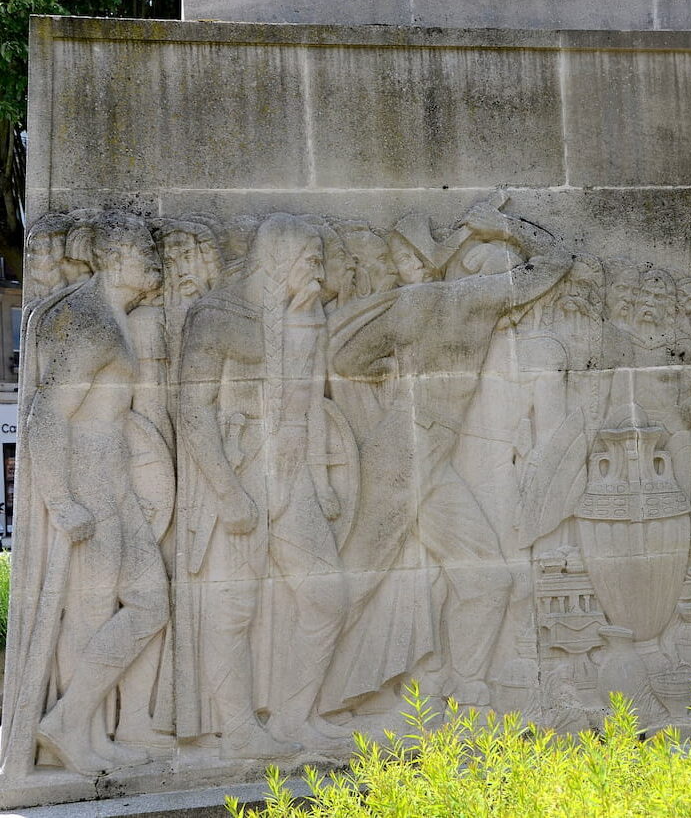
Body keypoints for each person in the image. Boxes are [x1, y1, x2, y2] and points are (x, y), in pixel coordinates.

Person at [328, 197, 572, 708]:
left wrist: (396, 378)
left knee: (486, 577)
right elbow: (554, 261)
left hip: (419, 452)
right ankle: (296, 697)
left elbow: (350, 359)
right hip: (404, 454)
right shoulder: (474, 298)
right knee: (357, 576)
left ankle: (469, 691)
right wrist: (505, 227)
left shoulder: (410, 305)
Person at [176, 214, 350, 756]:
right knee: (234, 609)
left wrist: (320, 478)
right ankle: (237, 729)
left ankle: (296, 717)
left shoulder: (310, 318)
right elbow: (192, 408)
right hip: (241, 470)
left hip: (295, 477)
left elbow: (314, 403)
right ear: (278, 258)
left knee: (327, 597)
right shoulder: (218, 315)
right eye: (309, 259)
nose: (318, 271)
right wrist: (227, 491)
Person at [12, 212, 170, 775]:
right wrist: (61, 499)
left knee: (150, 603)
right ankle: (76, 733)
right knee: (89, 614)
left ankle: (76, 725)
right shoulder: (95, 324)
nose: (155, 263)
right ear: (119, 258)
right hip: (91, 481)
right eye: (145, 253)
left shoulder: (115, 317)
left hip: (117, 480)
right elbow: (45, 416)